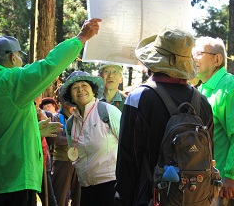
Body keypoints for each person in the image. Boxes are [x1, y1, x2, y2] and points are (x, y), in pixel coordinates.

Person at [0, 18, 101, 206]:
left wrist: (33, 130)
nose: (21, 61)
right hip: (17, 177)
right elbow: (48, 65)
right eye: (19, 56)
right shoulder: (9, 80)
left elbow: (3, 129)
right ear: (12, 57)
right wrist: (81, 38)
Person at [114, 27, 214, 205]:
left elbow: (128, 160)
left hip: (149, 197)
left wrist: (122, 199)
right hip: (195, 199)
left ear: (154, 61)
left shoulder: (139, 98)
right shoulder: (203, 102)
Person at [58, 71, 121, 206]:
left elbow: (128, 146)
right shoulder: (70, 123)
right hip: (86, 189)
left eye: (84, 85)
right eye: (75, 88)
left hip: (111, 185)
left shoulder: (107, 112)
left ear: (93, 90)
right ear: (71, 97)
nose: (80, 90)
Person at [193, 36, 234, 205]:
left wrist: (231, 176)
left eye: (199, 53)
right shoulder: (202, 89)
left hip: (223, 184)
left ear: (217, 59)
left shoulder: (229, 87)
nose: (194, 57)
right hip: (205, 182)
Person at [52, 101, 81, 206]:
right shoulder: (56, 117)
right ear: (63, 103)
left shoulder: (78, 116)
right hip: (62, 160)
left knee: (79, 197)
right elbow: (57, 139)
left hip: (78, 160)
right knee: (60, 196)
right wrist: (74, 138)